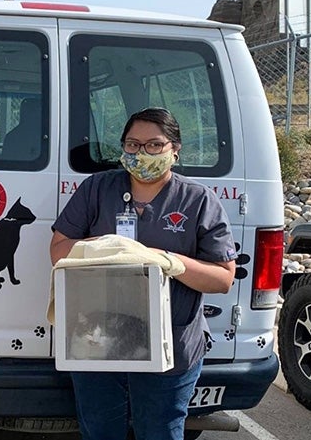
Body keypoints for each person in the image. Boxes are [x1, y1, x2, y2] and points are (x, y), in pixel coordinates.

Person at [49, 107, 237, 440]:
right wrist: (107, 246)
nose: (141, 153)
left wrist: (171, 261)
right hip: (98, 343)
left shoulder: (198, 201)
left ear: (175, 151)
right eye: (133, 145)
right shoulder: (97, 189)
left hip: (171, 347)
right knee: (99, 430)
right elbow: (59, 250)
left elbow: (222, 277)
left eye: (154, 145)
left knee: (160, 431)